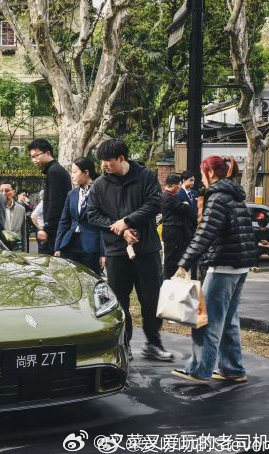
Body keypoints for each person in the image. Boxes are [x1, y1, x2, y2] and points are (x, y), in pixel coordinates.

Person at [172, 156, 256, 384]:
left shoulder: (218, 197)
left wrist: (183, 263)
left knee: (205, 320)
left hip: (223, 267)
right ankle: (233, 369)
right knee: (228, 321)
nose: (201, 180)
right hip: (239, 267)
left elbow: (204, 234)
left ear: (209, 172)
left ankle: (200, 370)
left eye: (202, 174)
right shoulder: (235, 195)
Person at [87, 139, 172, 362]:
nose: (104, 166)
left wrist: (127, 221)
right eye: (102, 161)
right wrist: (119, 229)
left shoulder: (146, 176)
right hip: (116, 251)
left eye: (108, 161)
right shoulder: (99, 184)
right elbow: (92, 214)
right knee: (120, 301)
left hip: (146, 248)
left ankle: (154, 343)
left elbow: (154, 204)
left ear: (121, 158)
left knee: (151, 298)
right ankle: (125, 345)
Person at [55, 157, 104, 275]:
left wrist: (104, 253)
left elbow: (103, 224)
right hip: (69, 244)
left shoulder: (99, 192)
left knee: (90, 279)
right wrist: (58, 247)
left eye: (74, 172)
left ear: (86, 173)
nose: (72, 176)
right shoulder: (71, 194)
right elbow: (64, 222)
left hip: (91, 246)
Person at [28, 139, 71, 255]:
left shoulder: (54, 172)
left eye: (36, 155)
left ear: (48, 153)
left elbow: (55, 203)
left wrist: (46, 229)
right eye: (32, 157)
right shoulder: (54, 170)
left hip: (54, 233)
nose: (34, 160)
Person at [161, 175, 197, 280]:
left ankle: (174, 279)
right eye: (179, 185)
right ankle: (168, 279)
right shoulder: (167, 197)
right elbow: (184, 209)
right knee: (171, 259)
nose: (180, 187)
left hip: (176, 232)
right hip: (172, 232)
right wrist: (185, 205)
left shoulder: (172, 196)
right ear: (173, 185)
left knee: (177, 257)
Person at [0, 182, 27, 251]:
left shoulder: (21, 209)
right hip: (1, 248)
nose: (4, 193)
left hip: (17, 248)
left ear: (14, 192)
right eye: (1, 191)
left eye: (7, 190)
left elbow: (23, 232)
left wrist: (24, 250)